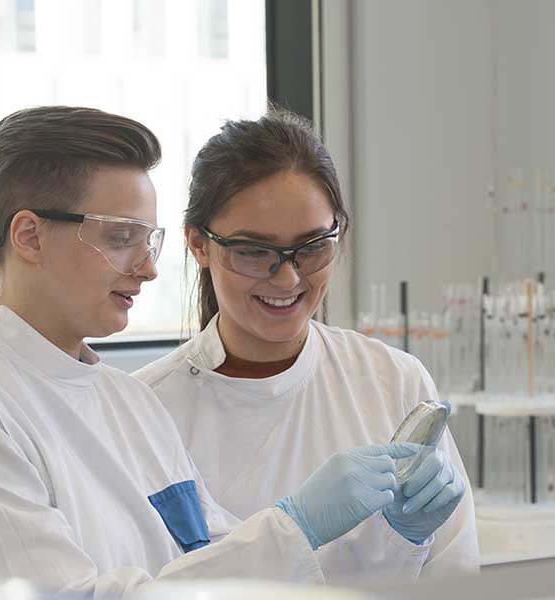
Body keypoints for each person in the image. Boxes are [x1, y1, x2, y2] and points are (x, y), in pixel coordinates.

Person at [0, 106, 428, 596]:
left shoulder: (128, 403)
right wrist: (296, 526)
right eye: (120, 238)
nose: (147, 268)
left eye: (148, 241)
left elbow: (219, 569)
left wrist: (396, 538)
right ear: (30, 236)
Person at [135, 110, 479, 585]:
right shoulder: (145, 409)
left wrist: (408, 537)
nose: (289, 277)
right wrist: (299, 526)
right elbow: (154, 588)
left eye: (313, 245)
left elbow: (456, 576)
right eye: (254, 251)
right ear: (198, 244)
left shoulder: (393, 380)